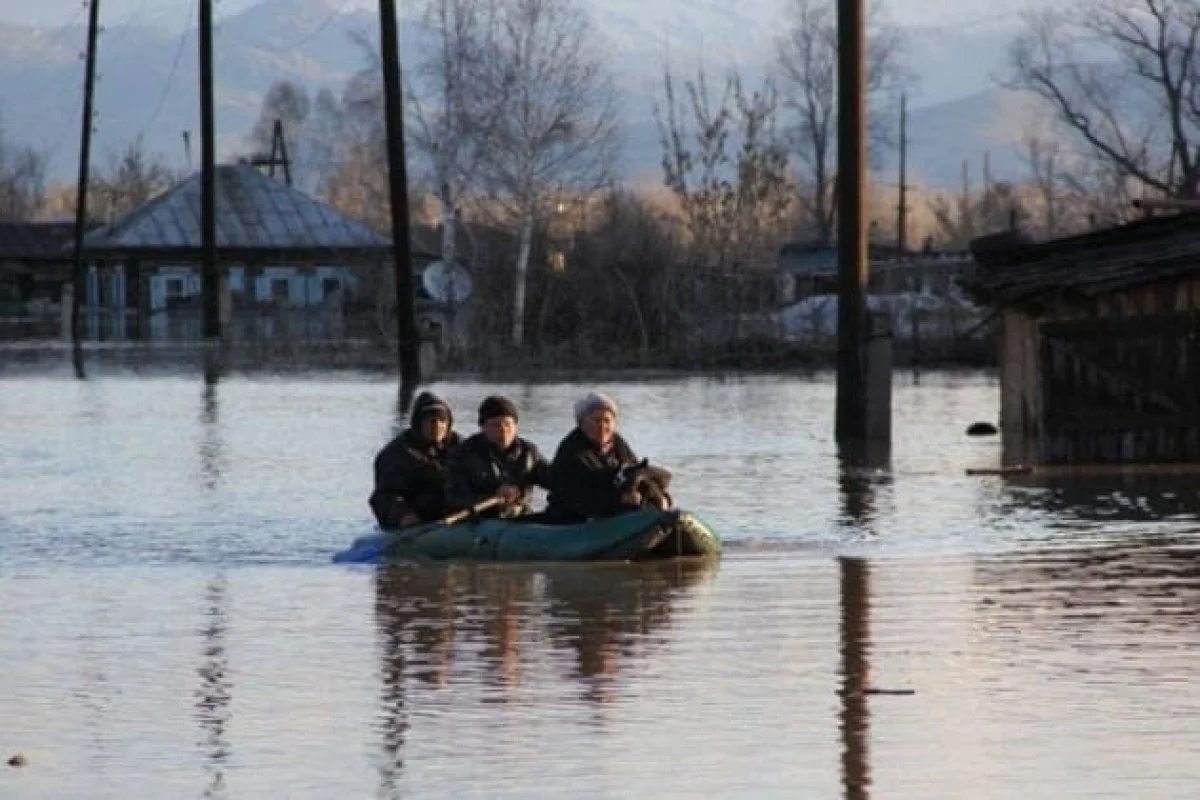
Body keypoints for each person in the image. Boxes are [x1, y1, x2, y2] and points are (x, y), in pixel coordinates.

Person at [544, 392, 671, 524]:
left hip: (613, 513)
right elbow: (578, 497)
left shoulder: (618, 444)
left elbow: (634, 471)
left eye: (607, 421)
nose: (602, 426)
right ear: (582, 423)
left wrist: (660, 496)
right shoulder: (572, 451)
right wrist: (620, 498)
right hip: (574, 518)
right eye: (596, 420)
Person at [446, 395, 551, 518]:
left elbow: (554, 480)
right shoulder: (463, 453)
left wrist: (519, 494)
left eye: (507, 424)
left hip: (519, 516)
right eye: (496, 425)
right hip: (478, 520)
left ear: (516, 426)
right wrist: (494, 496)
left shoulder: (528, 452)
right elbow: (454, 497)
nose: (503, 430)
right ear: (483, 427)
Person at [368, 391, 461, 529]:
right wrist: (403, 515)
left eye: (442, 420)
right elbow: (385, 494)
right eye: (431, 420)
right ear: (418, 423)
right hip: (417, 517)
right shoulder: (396, 454)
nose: (437, 425)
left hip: (457, 514)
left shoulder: (461, 447)